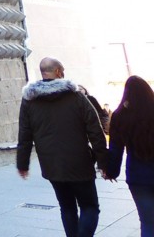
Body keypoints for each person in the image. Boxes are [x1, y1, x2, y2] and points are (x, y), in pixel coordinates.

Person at [17, 57, 108, 237]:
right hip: (79, 162)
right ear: (58, 71)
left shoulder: (29, 100)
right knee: (90, 207)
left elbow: (24, 134)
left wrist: (22, 164)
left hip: (52, 165)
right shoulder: (76, 97)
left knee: (66, 207)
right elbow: (95, 131)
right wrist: (103, 162)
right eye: (63, 69)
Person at [104, 75, 154, 237]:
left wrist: (111, 171)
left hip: (138, 176)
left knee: (147, 222)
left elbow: (115, 149)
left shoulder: (120, 116)